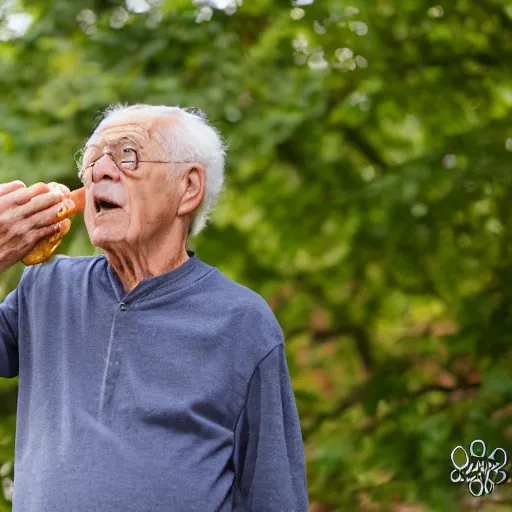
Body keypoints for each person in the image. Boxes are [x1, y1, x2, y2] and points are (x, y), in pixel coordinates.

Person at [0, 104, 309, 511]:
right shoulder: (45, 286)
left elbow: (275, 496)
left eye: (127, 155)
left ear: (188, 188)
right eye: (91, 159)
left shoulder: (242, 321)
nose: (100, 172)